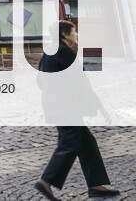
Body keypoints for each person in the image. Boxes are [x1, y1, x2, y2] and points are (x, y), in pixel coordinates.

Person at [34, 20, 119, 200]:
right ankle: (46, 181)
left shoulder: (49, 52)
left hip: (57, 106)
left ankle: (96, 185)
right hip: (66, 108)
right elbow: (81, 82)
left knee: (87, 142)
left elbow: (40, 82)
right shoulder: (64, 52)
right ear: (64, 34)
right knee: (69, 143)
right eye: (74, 32)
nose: (76, 36)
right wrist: (100, 107)